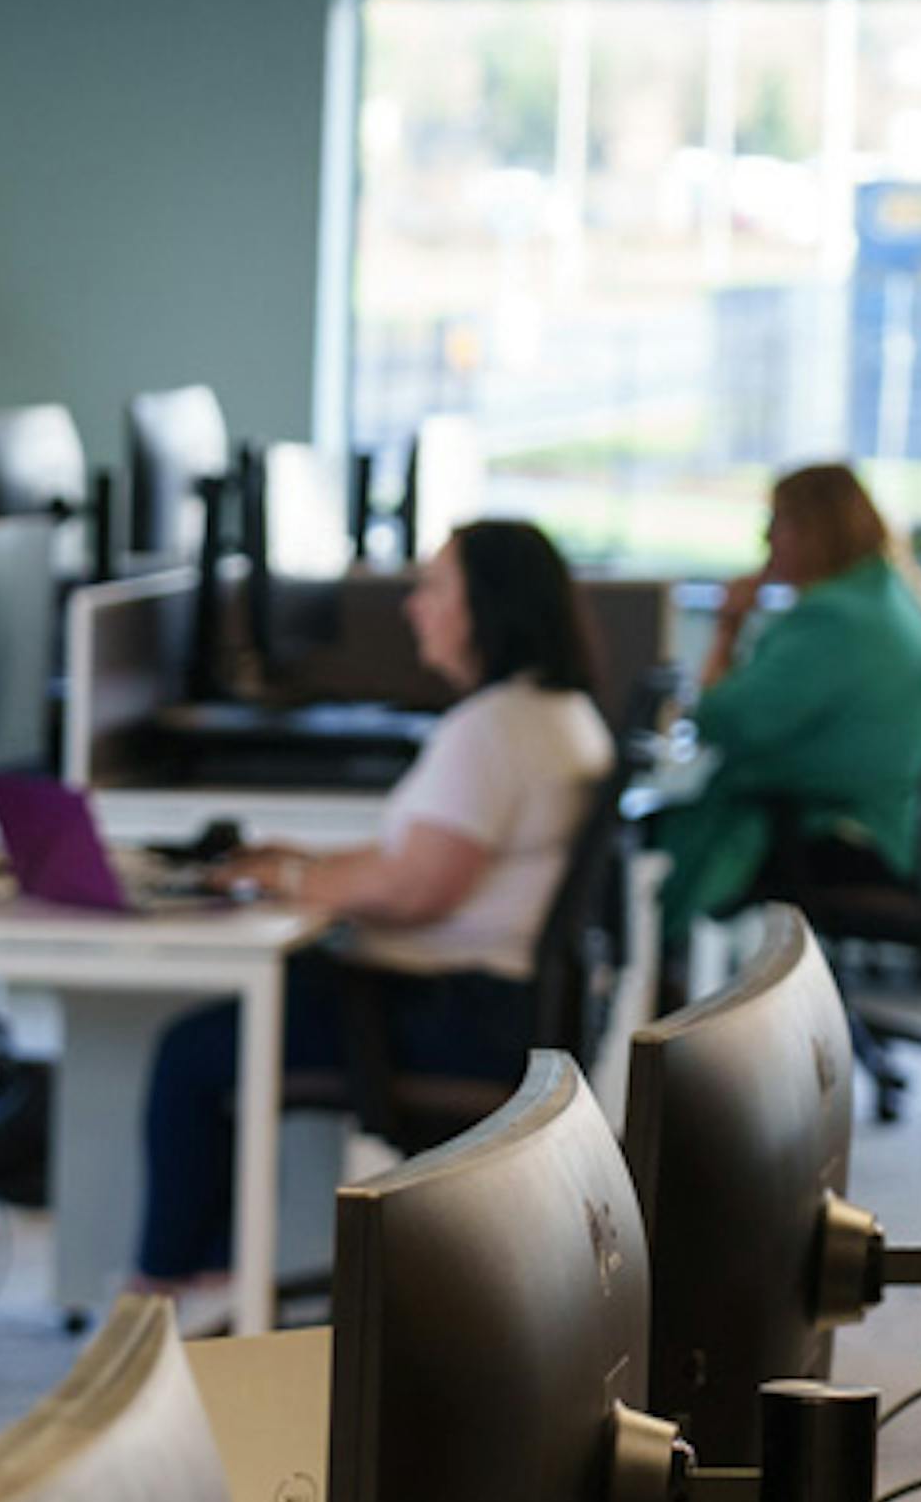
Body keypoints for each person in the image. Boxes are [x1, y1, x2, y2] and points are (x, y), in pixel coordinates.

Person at [130, 516, 616, 1297]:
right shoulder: (557, 713)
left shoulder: (491, 731)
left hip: (443, 1016)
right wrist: (300, 864)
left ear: (484, 607)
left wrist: (282, 881)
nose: (413, 606)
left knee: (192, 1053)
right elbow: (416, 862)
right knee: (228, 1033)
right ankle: (211, 1267)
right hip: (491, 1006)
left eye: (433, 587)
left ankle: (166, 1290)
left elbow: (415, 889)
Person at [654, 459, 921, 951]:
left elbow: (722, 720)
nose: (766, 540)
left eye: (777, 523)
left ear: (814, 531)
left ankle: (635, 1000)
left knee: (636, 843)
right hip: (884, 823)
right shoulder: (890, 599)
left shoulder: (834, 620)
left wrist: (729, 628)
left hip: (829, 829)